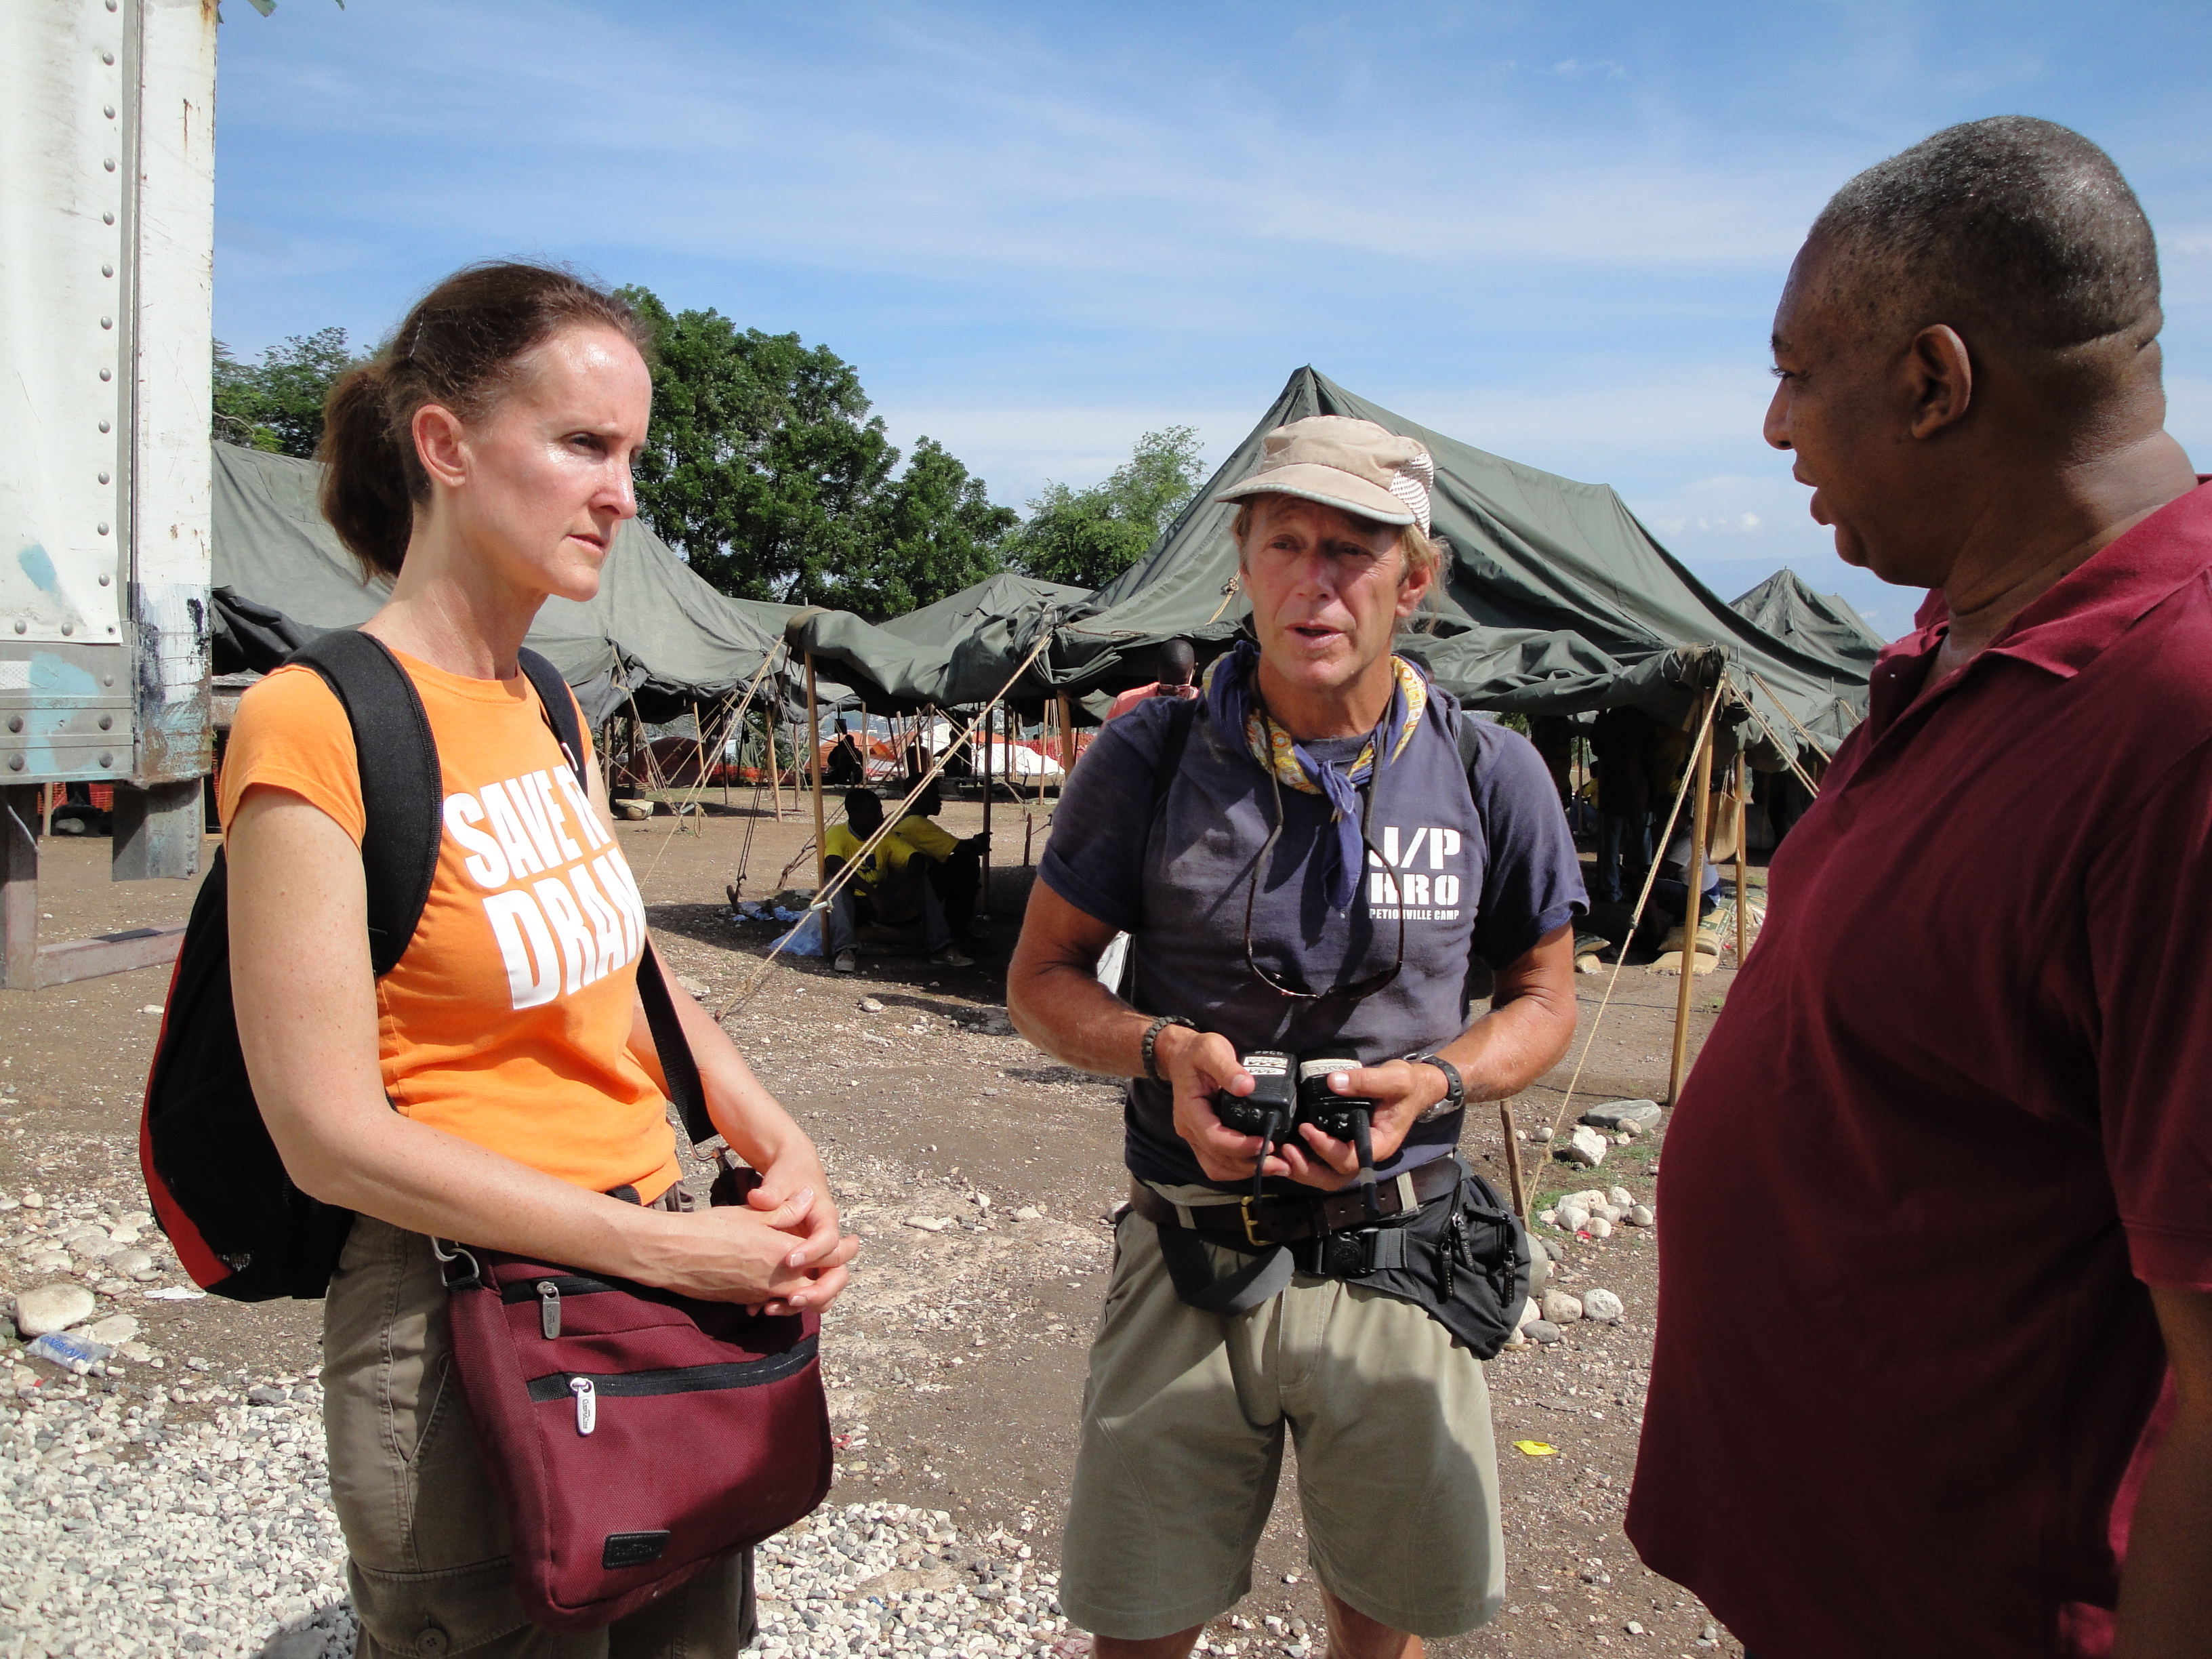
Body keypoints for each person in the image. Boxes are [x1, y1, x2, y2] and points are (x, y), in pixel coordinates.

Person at [1625, 118, 2212, 1659]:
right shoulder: (1957, 643)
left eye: (1798, 370)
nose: (1769, 426)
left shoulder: (2178, 713)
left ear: (1935, 380)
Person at [222, 264, 859, 1658]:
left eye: (631, 454)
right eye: (583, 445)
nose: (623, 495)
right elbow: (327, 1136)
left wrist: (771, 1135)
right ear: (445, 446)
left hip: (647, 1284)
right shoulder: (314, 722)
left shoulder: (551, 706)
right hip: (463, 1322)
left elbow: (619, 971)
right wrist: (676, 1251)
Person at [1008, 415, 1585, 1659]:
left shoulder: (1490, 770)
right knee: (1139, 1619)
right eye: (1282, 543)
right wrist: (1162, 1047)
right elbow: (1041, 977)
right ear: (1242, 563)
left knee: (1384, 1628)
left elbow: (1544, 998)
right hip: (1185, 1246)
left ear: (1412, 580)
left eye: (1350, 550)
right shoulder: (1149, 754)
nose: (1310, 581)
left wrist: (1433, 1078)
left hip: (1398, 1248)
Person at [822, 786, 973, 973]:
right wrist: (873, 894)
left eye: (880, 810)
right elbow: (834, 862)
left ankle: (941, 947)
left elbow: (915, 858)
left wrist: (907, 887)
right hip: (854, 903)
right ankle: (844, 950)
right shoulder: (837, 834)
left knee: (920, 878)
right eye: (874, 812)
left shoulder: (882, 836)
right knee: (835, 881)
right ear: (855, 814)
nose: (880, 816)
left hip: (878, 901)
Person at [893, 779, 990, 940]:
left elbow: (949, 846)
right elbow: (963, 850)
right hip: (907, 901)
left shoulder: (901, 817)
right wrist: (977, 842)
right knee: (966, 864)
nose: (940, 799)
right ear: (919, 795)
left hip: (896, 891)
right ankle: (957, 932)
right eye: (934, 794)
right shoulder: (916, 824)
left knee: (946, 862)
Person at [1588, 706, 1658, 903]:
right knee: (1641, 845)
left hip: (1614, 793)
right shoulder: (1645, 719)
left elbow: (1597, 747)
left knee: (1611, 846)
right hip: (1638, 792)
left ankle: (1613, 890)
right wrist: (1653, 792)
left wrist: (1601, 716)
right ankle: (1641, 889)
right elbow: (1650, 760)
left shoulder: (1610, 719)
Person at [1105, 638, 1202, 722]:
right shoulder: (1127, 702)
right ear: (1156, 670)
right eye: (1167, 683)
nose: (1175, 690)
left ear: (1194, 670)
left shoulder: (1206, 708)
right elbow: (1105, 742)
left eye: (1182, 684)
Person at [823, 720, 865, 787]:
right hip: (840, 768)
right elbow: (831, 760)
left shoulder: (855, 751)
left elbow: (861, 761)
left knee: (858, 772)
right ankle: (842, 779)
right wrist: (836, 765)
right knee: (841, 769)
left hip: (854, 769)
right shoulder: (838, 750)